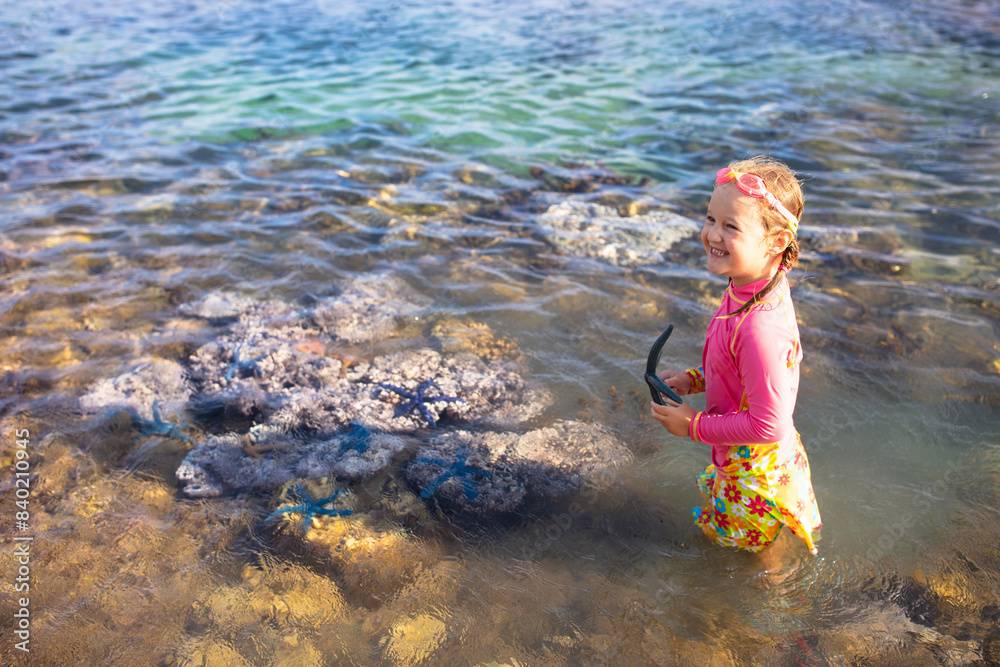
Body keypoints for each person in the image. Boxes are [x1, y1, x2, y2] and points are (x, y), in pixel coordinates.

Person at [650, 156, 822, 555]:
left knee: (753, 561)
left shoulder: (762, 328)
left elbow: (768, 425)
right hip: (752, 460)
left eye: (731, 226)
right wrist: (695, 379)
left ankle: (766, 604)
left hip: (755, 472)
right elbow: (738, 369)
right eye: (711, 218)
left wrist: (693, 426)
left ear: (777, 243)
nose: (712, 233)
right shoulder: (749, 287)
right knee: (760, 548)